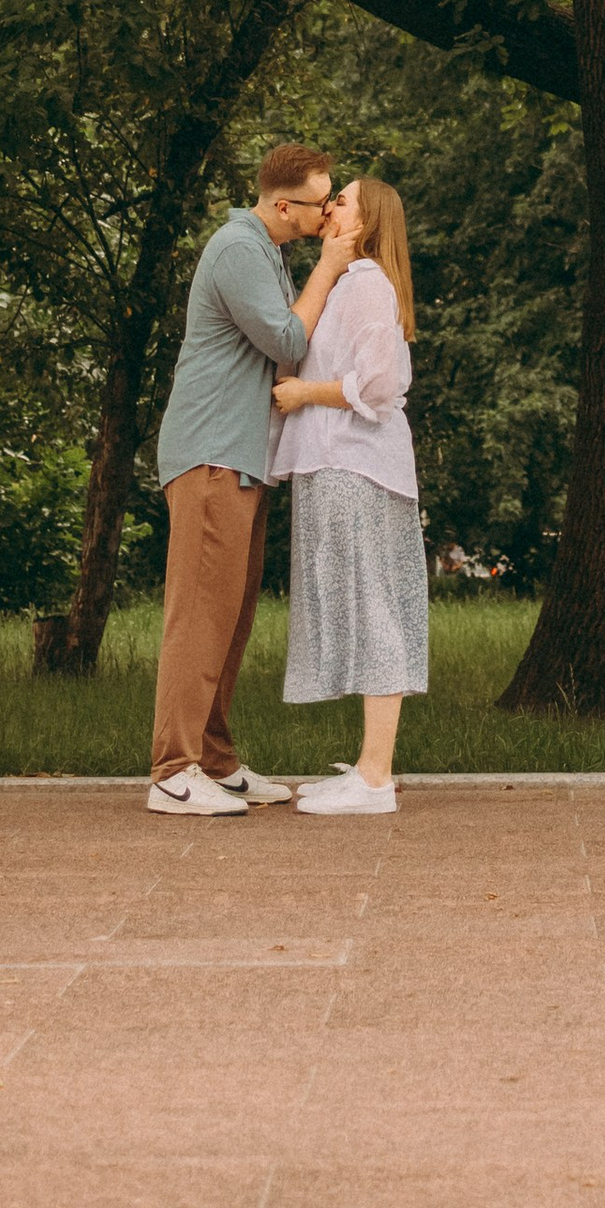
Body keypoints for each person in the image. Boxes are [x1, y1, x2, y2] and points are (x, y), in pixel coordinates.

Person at [146, 141, 354, 817]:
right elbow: (287, 343)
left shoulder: (267, 252)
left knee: (228, 617)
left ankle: (213, 760)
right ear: (283, 204)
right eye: (321, 202)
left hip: (240, 457)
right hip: (210, 454)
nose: (326, 212)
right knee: (200, 616)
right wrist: (328, 267)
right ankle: (172, 771)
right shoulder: (238, 249)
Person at [268, 172, 427, 816]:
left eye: (343, 200)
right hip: (340, 464)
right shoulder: (346, 285)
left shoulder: (364, 283)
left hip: (352, 466)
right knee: (364, 606)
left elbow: (381, 383)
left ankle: (375, 780)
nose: (330, 207)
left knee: (373, 608)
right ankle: (367, 767)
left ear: (367, 224)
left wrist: (305, 392)